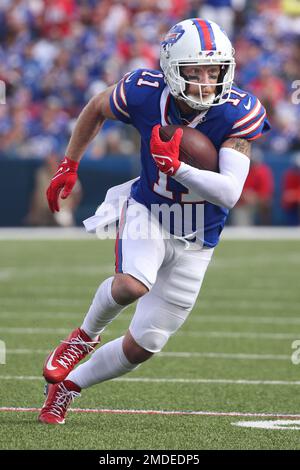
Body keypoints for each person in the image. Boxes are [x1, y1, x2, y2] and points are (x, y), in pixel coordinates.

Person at [38, 18, 270, 424]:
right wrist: (69, 162)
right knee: (130, 284)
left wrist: (177, 167)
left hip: (200, 236)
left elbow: (230, 193)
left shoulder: (238, 110)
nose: (205, 81)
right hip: (150, 211)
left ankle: (68, 386)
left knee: (145, 344)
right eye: (194, 70)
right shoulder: (143, 92)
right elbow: (96, 107)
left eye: (213, 70)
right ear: (170, 69)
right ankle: (83, 337)